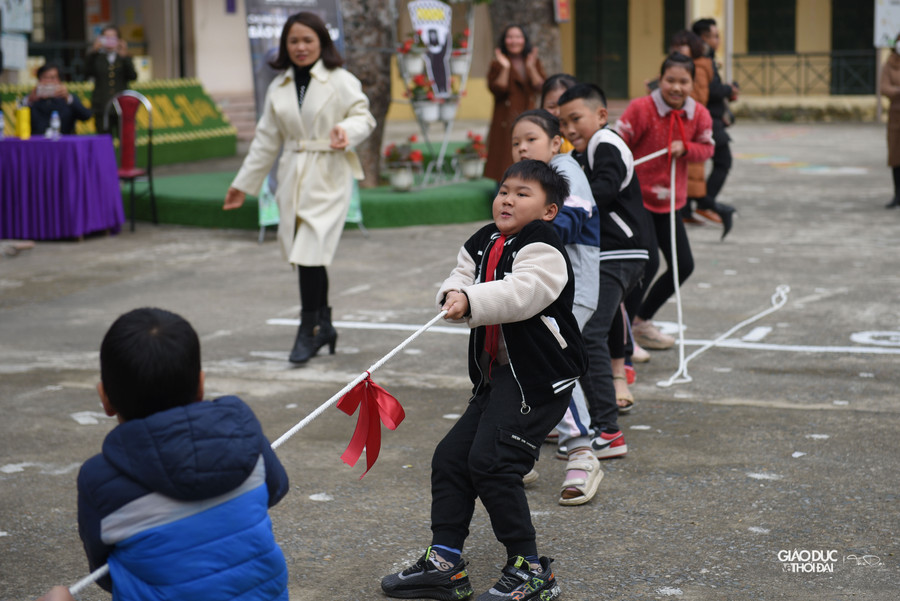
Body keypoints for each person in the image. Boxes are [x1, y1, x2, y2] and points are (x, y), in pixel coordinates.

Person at [381, 160, 586, 601]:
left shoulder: (544, 246)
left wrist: (472, 298)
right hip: (497, 376)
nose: (508, 199)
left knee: (494, 463)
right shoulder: (484, 239)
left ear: (549, 211)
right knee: (451, 460)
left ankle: (531, 571)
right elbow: (462, 272)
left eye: (522, 193)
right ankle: (444, 563)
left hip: (538, 378)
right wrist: (453, 292)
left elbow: (522, 292)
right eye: (504, 190)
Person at [38, 307, 290, 601]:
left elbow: (105, 572)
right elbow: (277, 488)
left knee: (57, 597)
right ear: (200, 385)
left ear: (105, 399)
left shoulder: (99, 480)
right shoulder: (243, 434)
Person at [224, 12, 376, 364]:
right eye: (293, 41)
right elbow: (265, 142)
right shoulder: (279, 87)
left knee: (310, 251)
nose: (301, 47)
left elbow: (363, 116)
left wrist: (346, 132)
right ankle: (324, 324)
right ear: (284, 46)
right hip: (293, 175)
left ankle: (309, 329)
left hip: (328, 172)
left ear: (322, 42)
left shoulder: (340, 80)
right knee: (305, 254)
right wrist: (242, 186)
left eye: (308, 40)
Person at [511, 109, 603, 505]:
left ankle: (582, 449)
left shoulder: (565, 169)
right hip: (545, 293)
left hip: (573, 292)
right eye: (516, 142)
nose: (522, 147)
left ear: (555, 142)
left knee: (550, 362)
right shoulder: (528, 183)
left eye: (530, 139)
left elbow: (575, 216)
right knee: (518, 360)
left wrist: (527, 235)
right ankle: (517, 452)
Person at [556, 83, 651, 447]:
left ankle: (607, 430)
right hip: (615, 255)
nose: (569, 129)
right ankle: (590, 420)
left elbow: (605, 190)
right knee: (596, 330)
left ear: (601, 115)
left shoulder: (605, 144)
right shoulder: (586, 151)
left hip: (617, 254)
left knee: (588, 334)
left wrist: (564, 209)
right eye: (563, 123)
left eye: (575, 119)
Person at [617, 53, 715, 352]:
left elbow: (708, 148)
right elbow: (616, 142)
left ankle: (640, 321)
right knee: (646, 263)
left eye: (683, 81)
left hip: (671, 200)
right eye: (670, 80)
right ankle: (621, 334)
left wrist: (686, 149)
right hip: (637, 201)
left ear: (692, 83)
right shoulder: (641, 108)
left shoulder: (698, 114)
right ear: (659, 81)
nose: (676, 87)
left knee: (683, 265)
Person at [692, 18, 738, 237]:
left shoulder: (706, 58)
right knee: (723, 160)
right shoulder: (701, 60)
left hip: (714, 118)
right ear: (703, 38)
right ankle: (706, 203)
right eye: (715, 36)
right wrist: (727, 89)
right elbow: (705, 93)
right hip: (709, 120)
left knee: (699, 165)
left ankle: (701, 203)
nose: (718, 40)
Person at [484, 25, 545, 182]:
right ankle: (501, 197)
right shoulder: (497, 63)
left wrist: (531, 67)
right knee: (503, 162)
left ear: (524, 40)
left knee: (528, 158)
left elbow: (541, 86)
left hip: (528, 116)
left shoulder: (532, 61)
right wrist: (505, 67)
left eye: (518, 37)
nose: (514, 41)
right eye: (510, 37)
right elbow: (498, 89)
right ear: (504, 41)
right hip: (505, 119)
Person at [84, 25, 136, 134]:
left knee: (124, 136)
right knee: (103, 137)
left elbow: (133, 76)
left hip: (121, 105)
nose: (109, 41)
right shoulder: (97, 57)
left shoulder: (123, 57)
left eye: (113, 38)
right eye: (106, 37)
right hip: (101, 104)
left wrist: (124, 56)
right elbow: (86, 74)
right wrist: (93, 52)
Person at [23, 63, 91, 135]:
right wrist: (29, 100)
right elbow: (18, 116)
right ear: (39, 80)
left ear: (59, 80)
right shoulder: (32, 99)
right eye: (45, 77)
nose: (48, 82)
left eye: (52, 78)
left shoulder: (68, 99)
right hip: (38, 142)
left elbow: (86, 116)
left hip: (64, 142)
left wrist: (68, 98)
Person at [880, 32, 900, 209]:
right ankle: (897, 195)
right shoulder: (890, 64)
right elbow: (884, 87)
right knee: (895, 157)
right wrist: (898, 91)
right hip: (896, 116)